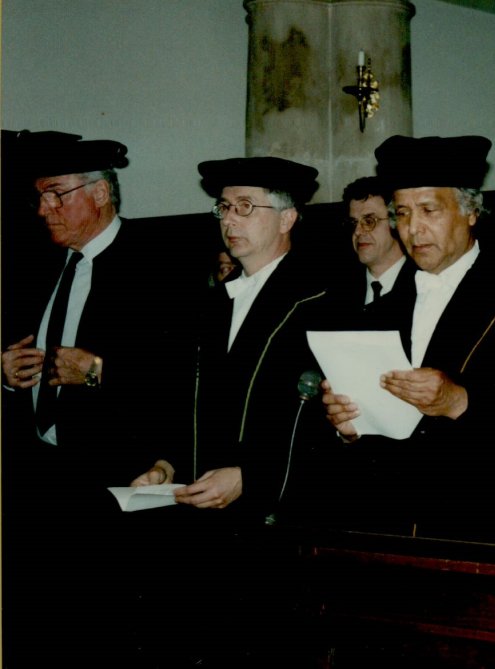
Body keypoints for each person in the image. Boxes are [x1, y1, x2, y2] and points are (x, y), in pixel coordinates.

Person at [318, 135, 495, 549]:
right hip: (395, 537)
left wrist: (460, 401)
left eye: (429, 210)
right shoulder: (380, 311)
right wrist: (350, 427)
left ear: (470, 211)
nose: (413, 229)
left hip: (491, 537)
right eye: (402, 213)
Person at [0, 132, 200, 665]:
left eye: (56, 194)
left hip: (114, 486)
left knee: (104, 634)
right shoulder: (38, 264)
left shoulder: (159, 264)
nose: (44, 209)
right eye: (39, 196)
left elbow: (184, 377)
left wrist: (99, 372)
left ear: (101, 193)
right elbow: (19, 350)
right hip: (40, 478)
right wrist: (7, 375)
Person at [129, 155, 325, 666]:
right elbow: (188, 404)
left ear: (287, 218)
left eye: (245, 207)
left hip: (277, 532)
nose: (229, 220)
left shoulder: (322, 299)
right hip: (204, 530)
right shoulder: (213, 302)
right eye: (223, 207)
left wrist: (252, 477)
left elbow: (328, 423)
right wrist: (165, 465)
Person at [341, 175, 416, 308]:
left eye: (369, 221)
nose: (357, 231)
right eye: (353, 223)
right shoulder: (339, 292)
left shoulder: (423, 287)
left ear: (396, 222)